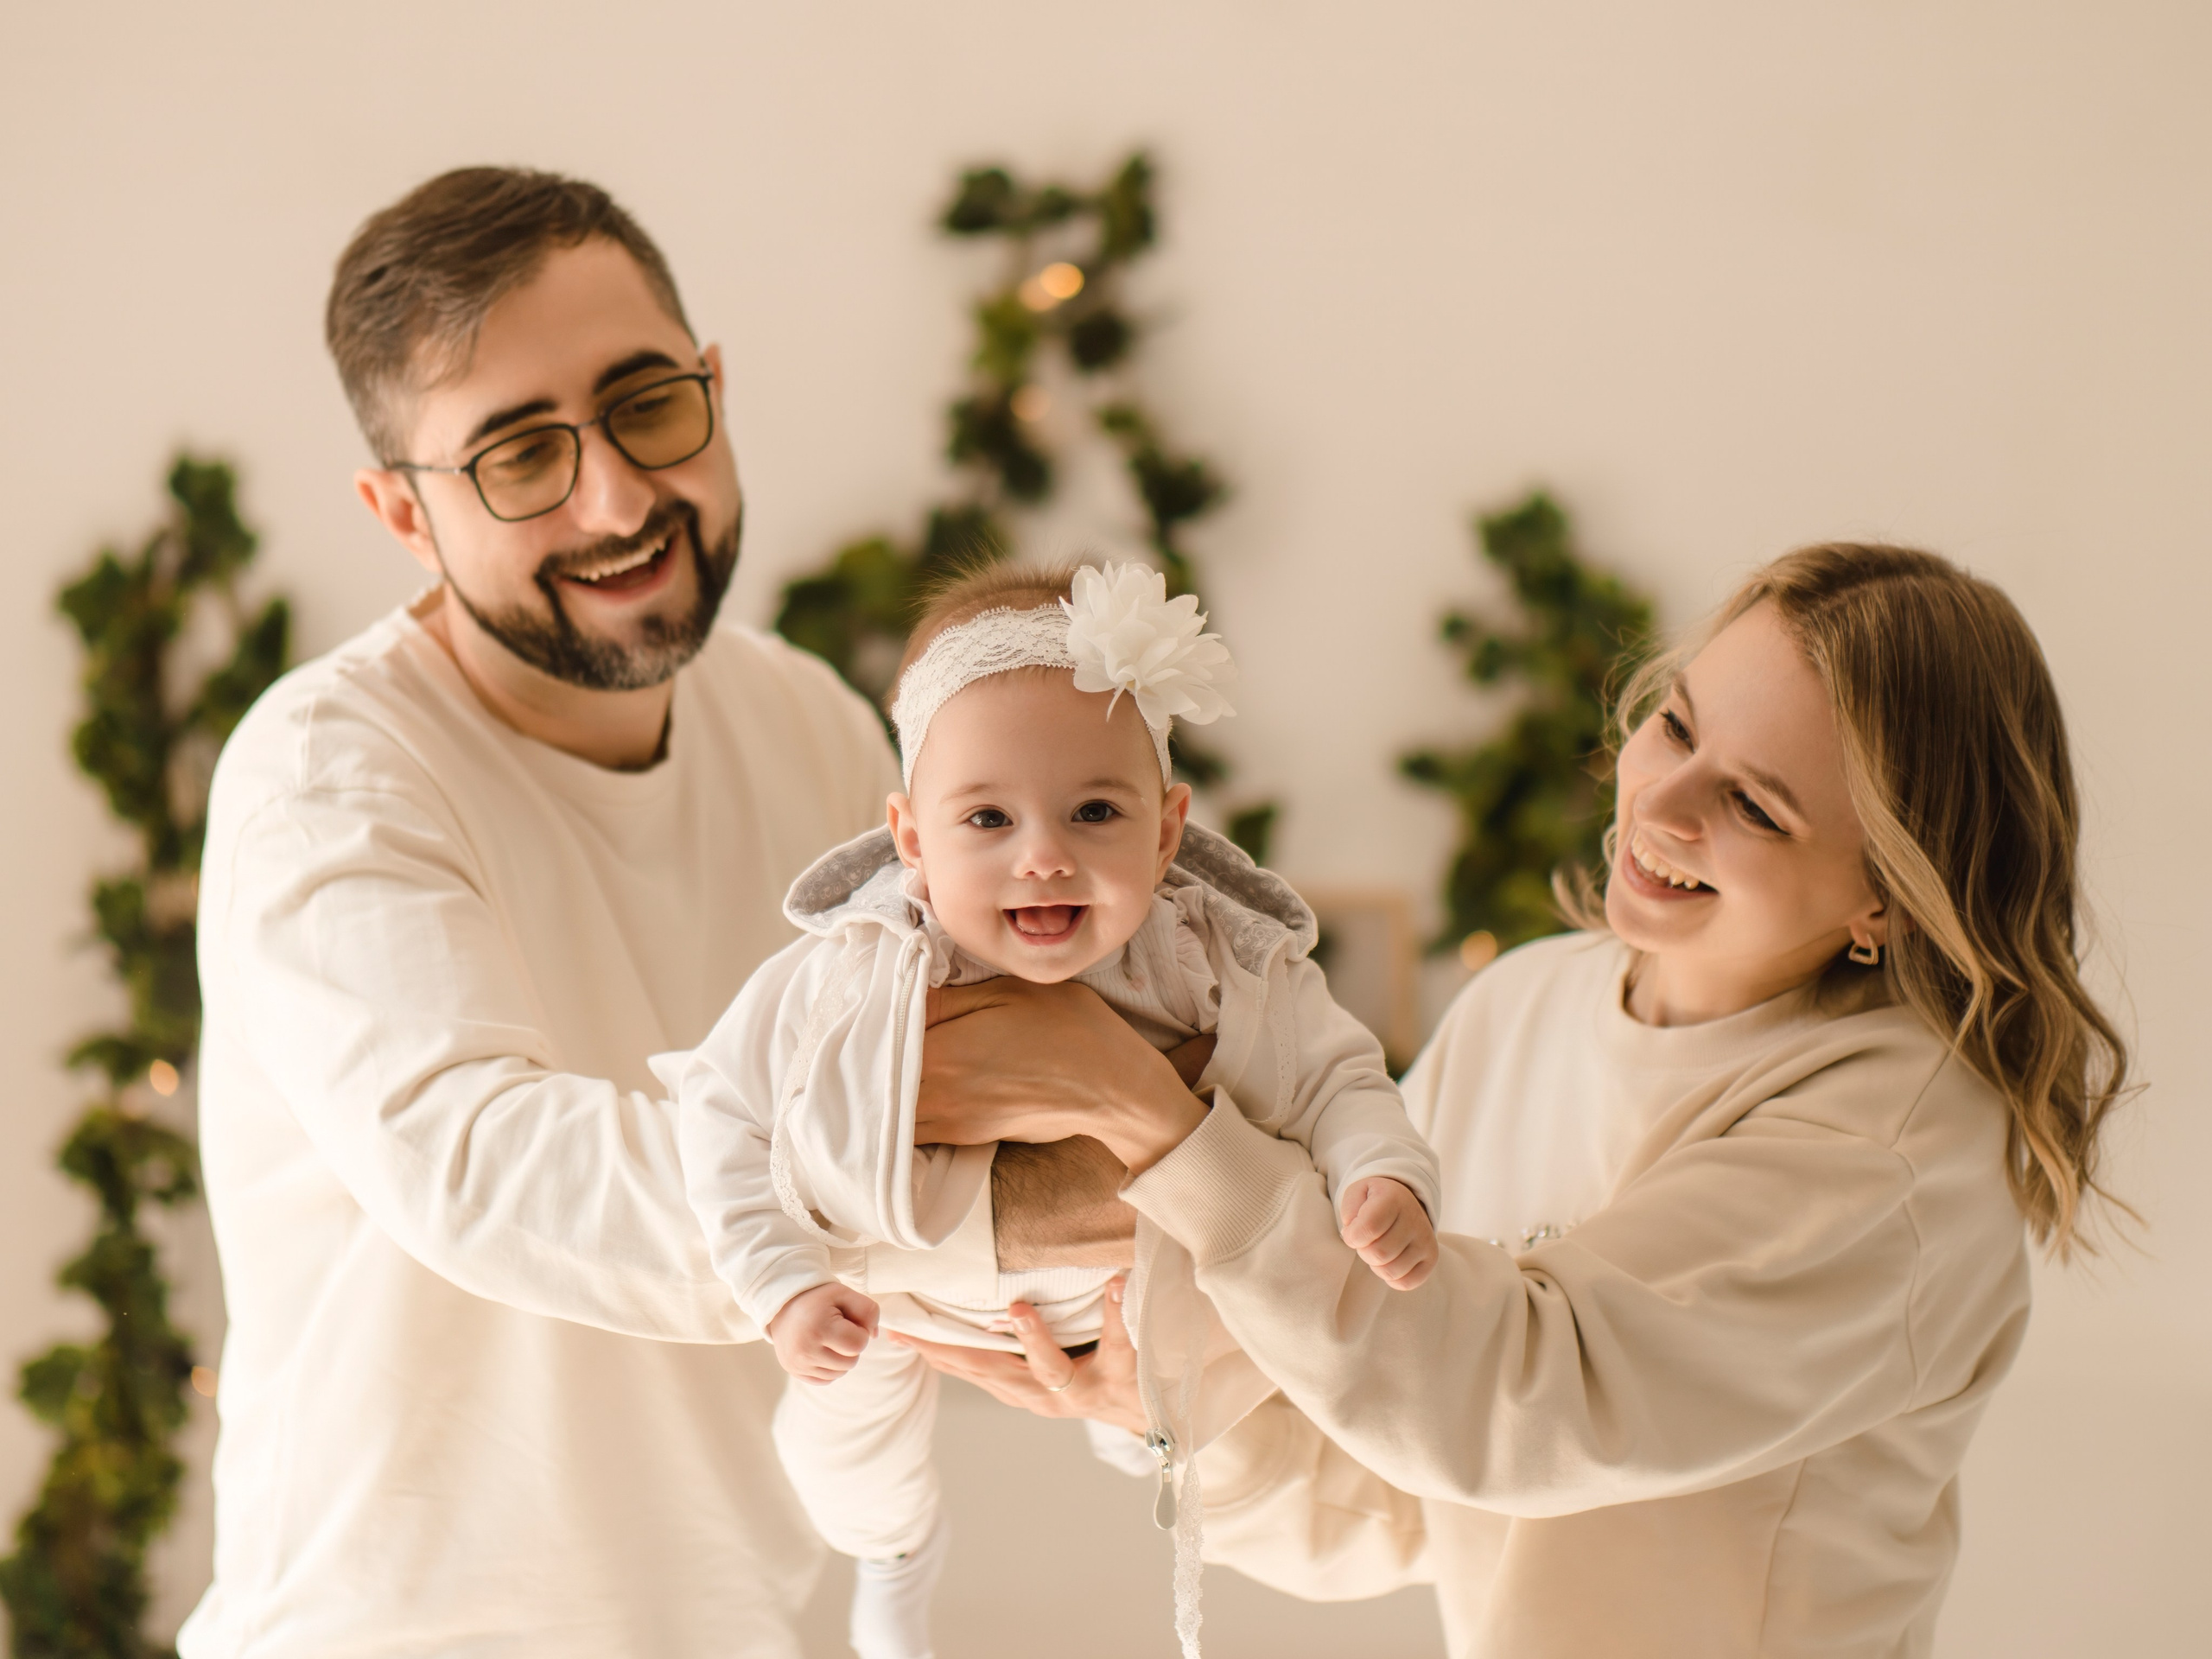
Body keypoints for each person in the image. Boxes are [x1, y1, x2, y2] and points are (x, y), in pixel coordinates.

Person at [901, 543, 2133, 1657]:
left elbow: (1518, 1400)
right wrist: (1174, 1410)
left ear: (1890, 898)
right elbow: (1400, 1495)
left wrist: (1147, 1119)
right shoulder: (1527, 1005)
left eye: (1755, 804)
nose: (1662, 803)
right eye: (1675, 725)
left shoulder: (1899, 1155)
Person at [186, 167, 918, 1657]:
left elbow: (925, 1079)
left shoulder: (811, 725)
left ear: (714, 385)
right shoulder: (328, 773)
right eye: (521, 455)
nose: (620, 498)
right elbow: (482, 1157)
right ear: (402, 513)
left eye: (648, 402)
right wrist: (955, 1189)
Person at [667, 560, 1441, 1659]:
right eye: (986, 816)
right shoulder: (851, 969)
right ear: (911, 838)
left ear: (1168, 831)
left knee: (1195, 1392)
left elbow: (1338, 1081)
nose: (1043, 856)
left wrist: (1383, 1174)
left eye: (1093, 811)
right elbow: (719, 1107)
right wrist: (779, 1281)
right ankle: (890, 1556)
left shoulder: (1218, 963)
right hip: (900, 1297)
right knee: (840, 1432)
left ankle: (1146, 1448)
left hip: (1129, 1299)